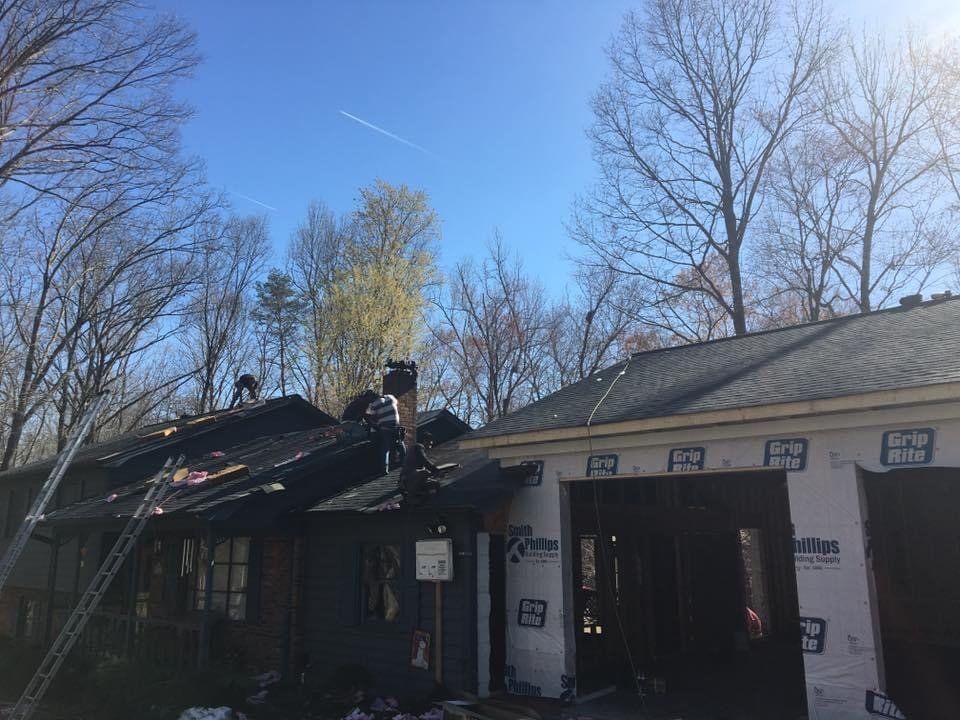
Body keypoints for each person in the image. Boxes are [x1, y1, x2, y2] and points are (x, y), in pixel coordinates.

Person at [366, 392, 402, 475]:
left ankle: (384, 469)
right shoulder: (390, 397)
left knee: (385, 448)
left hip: (385, 428)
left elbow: (372, 417)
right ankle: (403, 462)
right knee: (399, 443)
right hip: (395, 425)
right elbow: (396, 403)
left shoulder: (374, 404)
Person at [400, 431, 440, 497]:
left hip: (407, 479)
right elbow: (424, 460)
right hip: (409, 478)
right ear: (425, 441)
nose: (431, 445)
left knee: (435, 483)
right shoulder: (418, 447)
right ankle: (413, 491)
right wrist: (435, 470)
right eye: (430, 442)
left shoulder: (413, 448)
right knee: (425, 473)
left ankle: (419, 493)